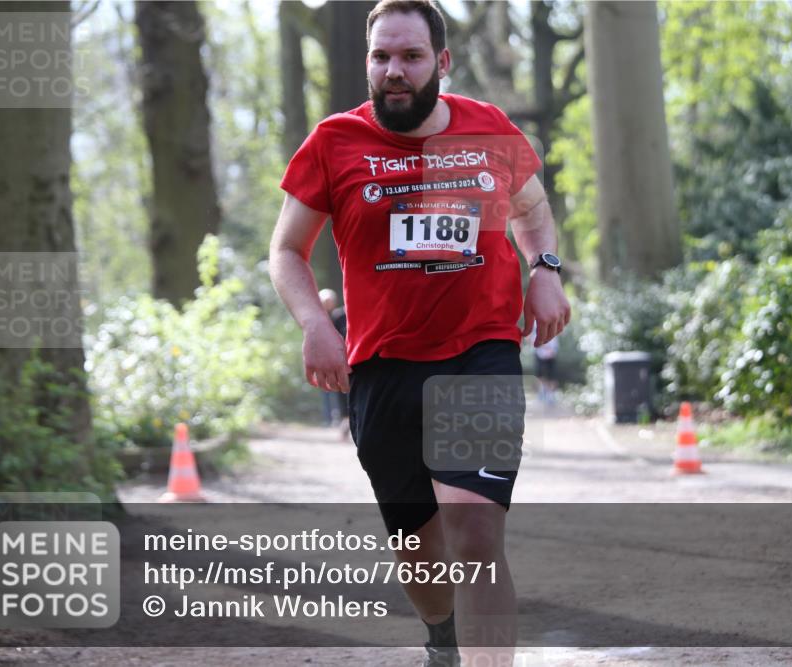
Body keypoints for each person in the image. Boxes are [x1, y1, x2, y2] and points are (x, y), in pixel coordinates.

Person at [268, 2, 570, 664]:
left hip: (478, 355)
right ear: (368, 62)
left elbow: (534, 209)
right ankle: (440, 635)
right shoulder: (333, 143)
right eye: (381, 57)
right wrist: (315, 324)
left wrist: (544, 268)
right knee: (421, 552)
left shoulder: (488, 130)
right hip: (382, 367)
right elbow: (286, 251)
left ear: (442, 62)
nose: (394, 71)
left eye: (409, 56)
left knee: (475, 530)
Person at [317, 288, 349, 432]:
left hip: (345, 360)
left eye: (329, 302)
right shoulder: (317, 318)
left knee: (343, 390)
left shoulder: (341, 316)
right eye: (325, 302)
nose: (327, 305)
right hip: (325, 361)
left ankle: (344, 418)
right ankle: (331, 419)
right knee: (328, 391)